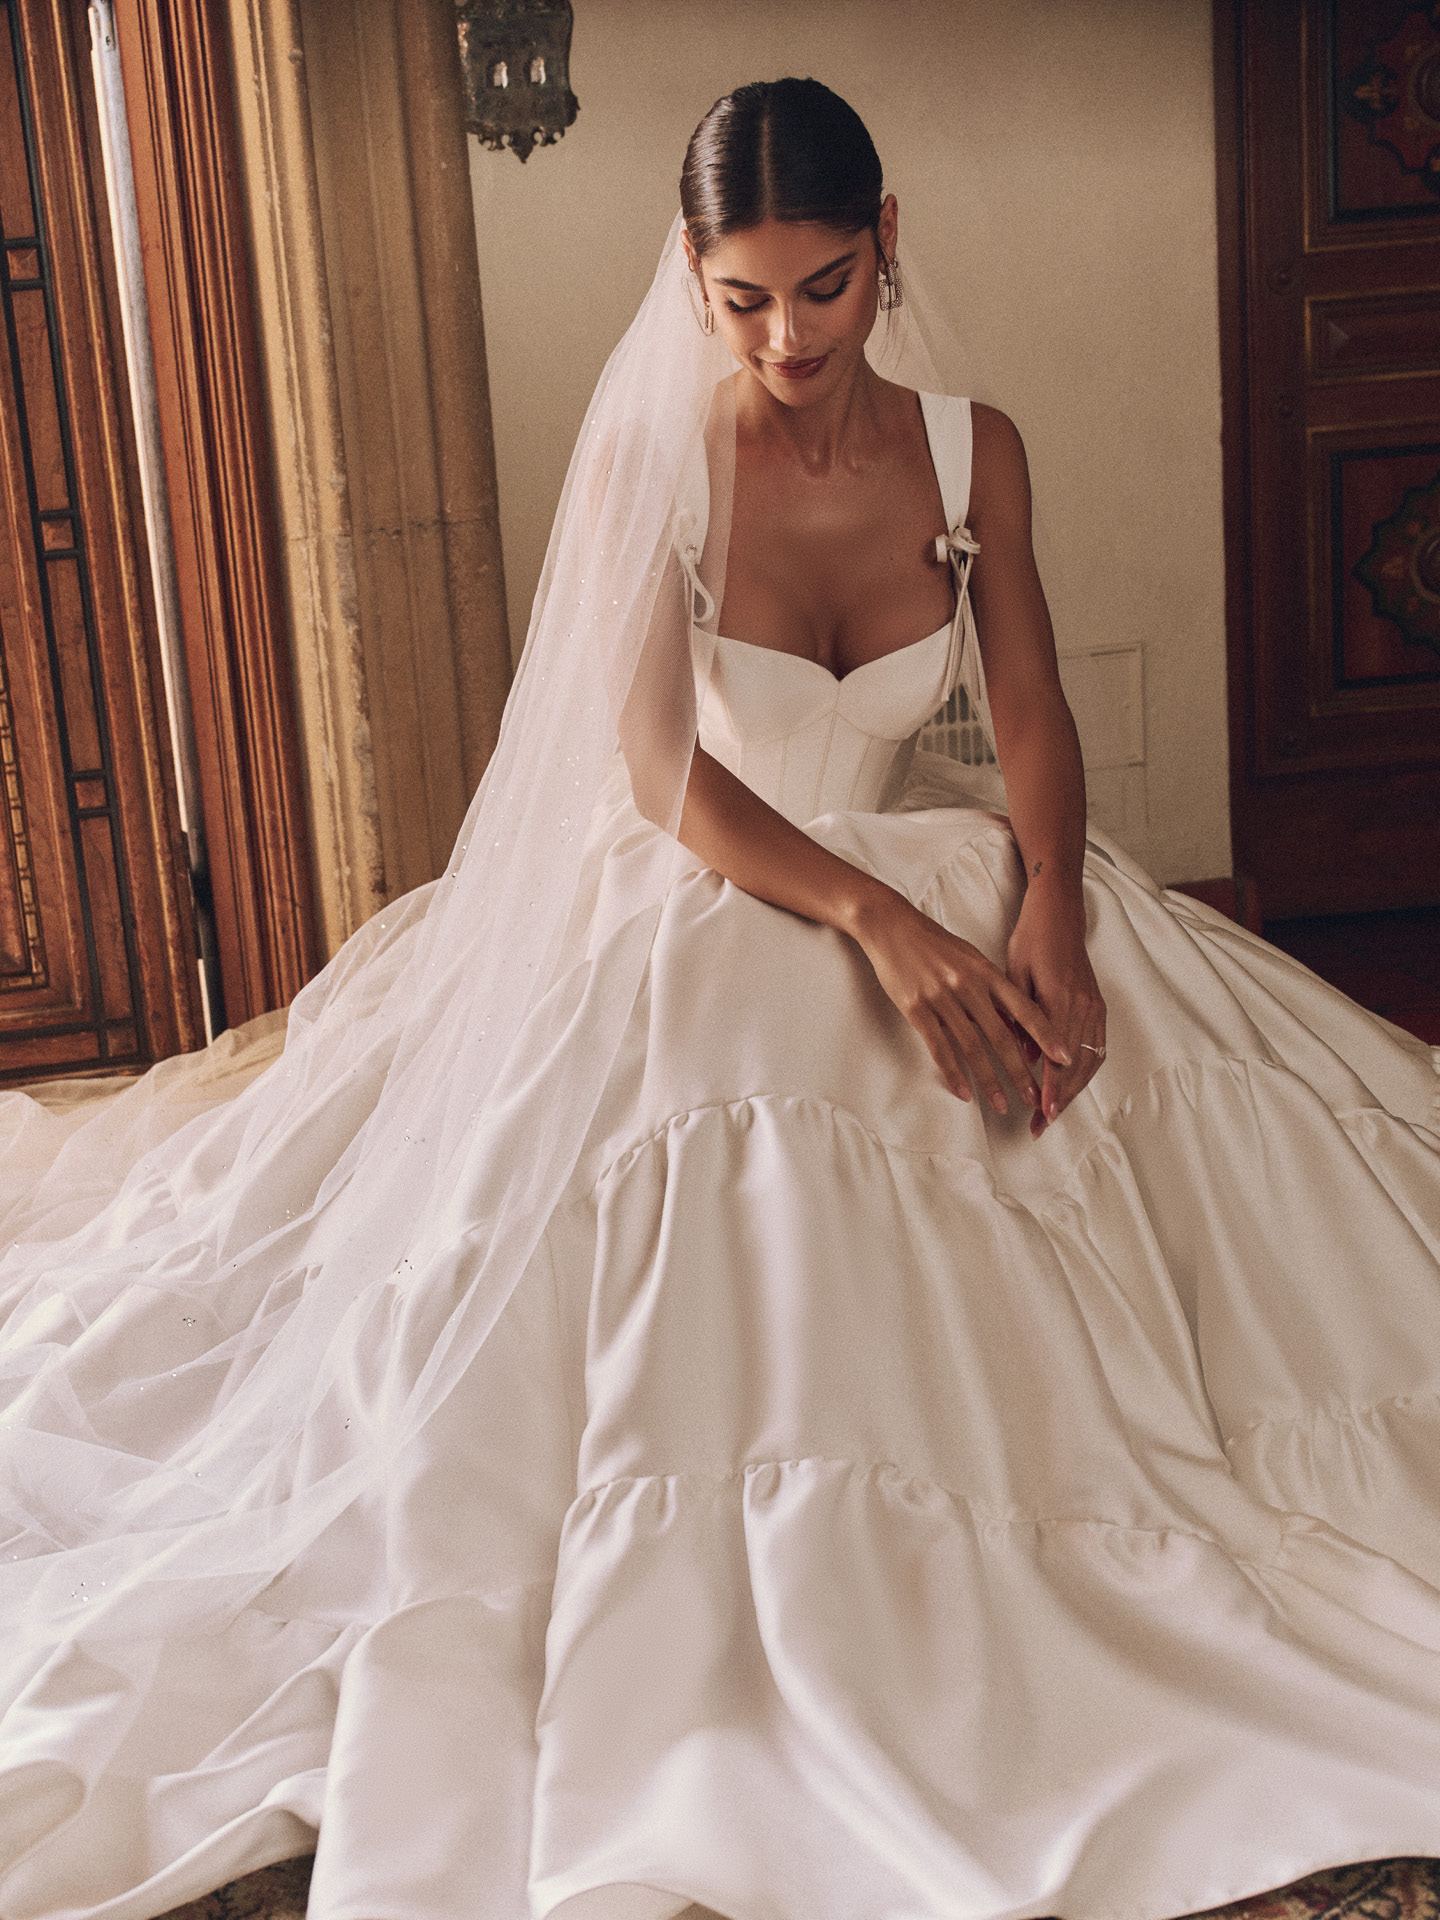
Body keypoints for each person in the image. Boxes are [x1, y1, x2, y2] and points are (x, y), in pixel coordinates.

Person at [1, 74, 1439, 1920]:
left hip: (941, 860)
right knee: (742, 1082)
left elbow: (1025, 705)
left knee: (1197, 1131)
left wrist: (1059, 906)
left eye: (825, 287)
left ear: (886, 241)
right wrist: (877, 921)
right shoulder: (653, 463)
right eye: (743, 298)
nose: (787, 339)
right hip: (719, 880)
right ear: (691, 276)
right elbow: (662, 769)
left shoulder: (973, 450)